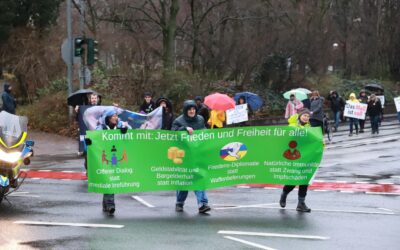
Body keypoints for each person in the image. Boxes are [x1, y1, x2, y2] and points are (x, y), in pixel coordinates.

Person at [171, 100, 211, 213]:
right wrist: (184, 129)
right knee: (185, 180)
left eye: (193, 109)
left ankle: (202, 204)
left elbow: (204, 130)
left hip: (198, 154)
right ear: (185, 110)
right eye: (189, 109)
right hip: (183, 155)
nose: (192, 111)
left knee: (199, 178)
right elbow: (172, 134)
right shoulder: (178, 121)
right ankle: (179, 203)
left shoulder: (200, 119)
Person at [95, 108, 131, 215]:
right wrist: (89, 141)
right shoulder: (101, 128)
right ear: (108, 118)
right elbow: (94, 138)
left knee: (111, 180)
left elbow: (131, 131)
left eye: (116, 115)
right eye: (113, 116)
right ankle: (110, 204)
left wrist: (126, 130)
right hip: (105, 157)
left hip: (116, 157)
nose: (116, 118)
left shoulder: (120, 125)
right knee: (109, 179)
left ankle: (106, 203)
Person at [279, 109, 312, 212]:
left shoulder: (310, 128)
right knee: (294, 180)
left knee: (304, 180)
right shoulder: (292, 126)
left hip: (306, 157)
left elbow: (313, 141)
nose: (306, 117)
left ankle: (301, 203)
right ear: (299, 116)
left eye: (308, 116)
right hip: (294, 157)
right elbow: (288, 139)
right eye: (304, 115)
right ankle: (284, 194)